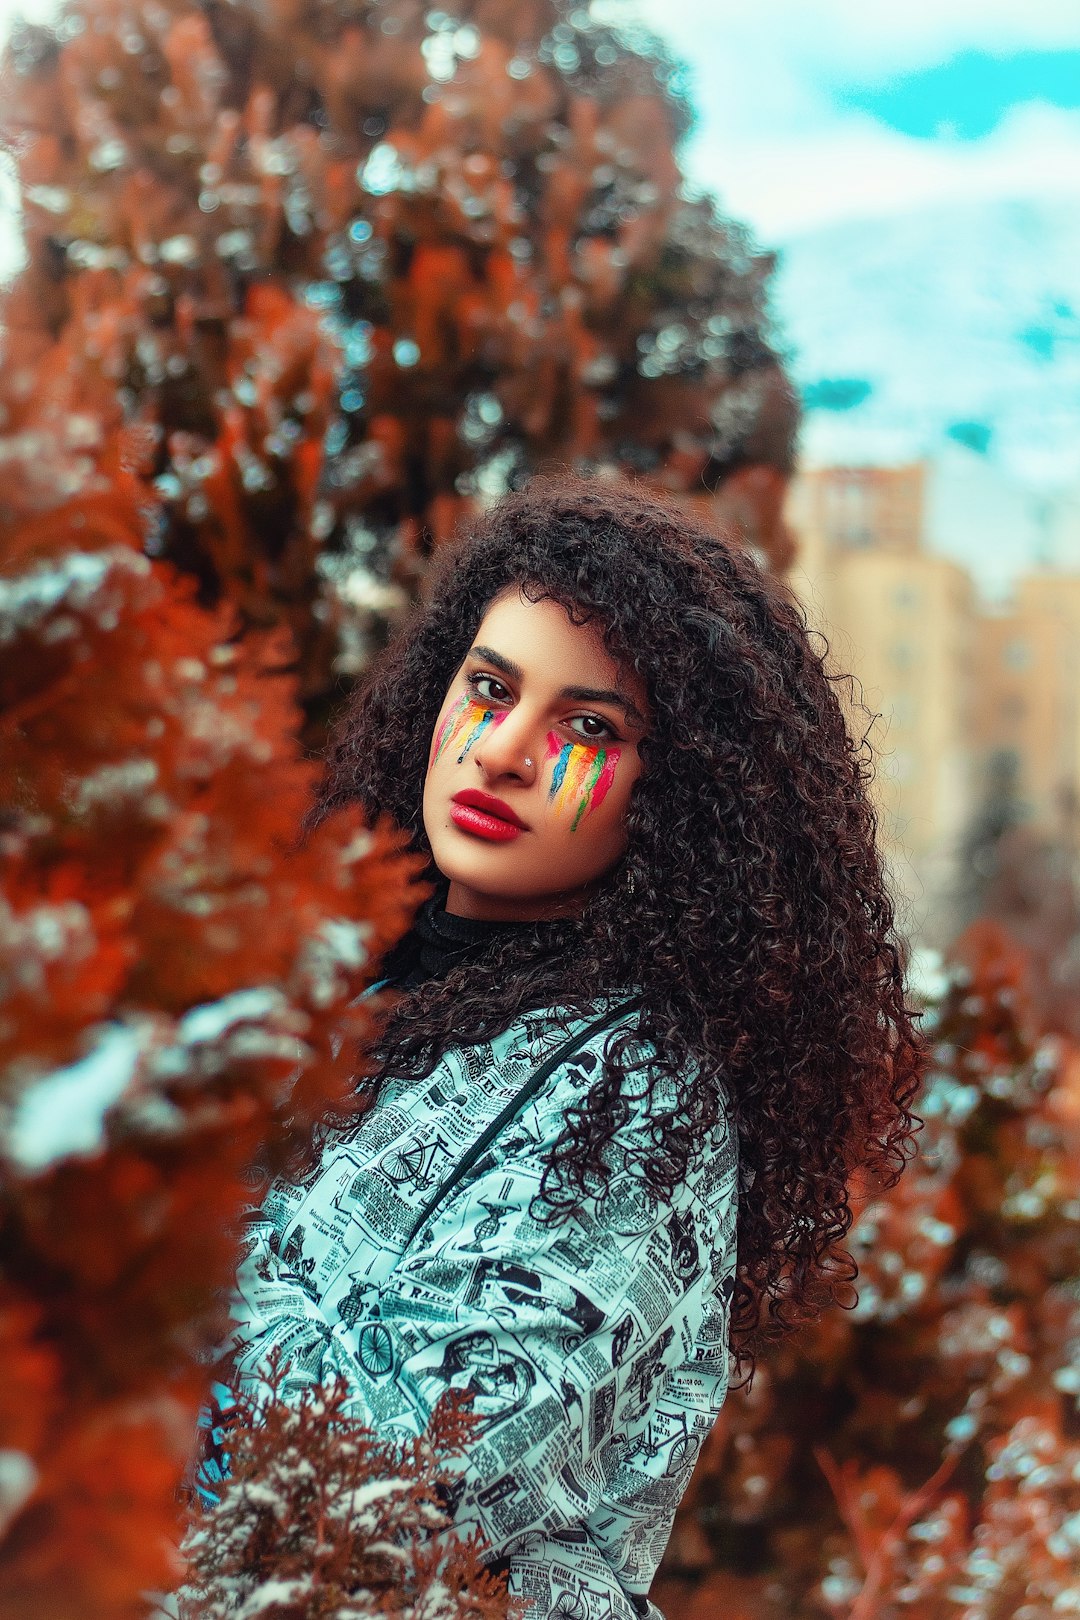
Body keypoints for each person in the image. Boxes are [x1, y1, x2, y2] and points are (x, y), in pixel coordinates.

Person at [220, 474, 922, 1619]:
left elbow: (406, 1472)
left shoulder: (637, 1094)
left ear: (684, 799)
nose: (503, 752)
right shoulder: (329, 984)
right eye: (490, 688)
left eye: (589, 726)